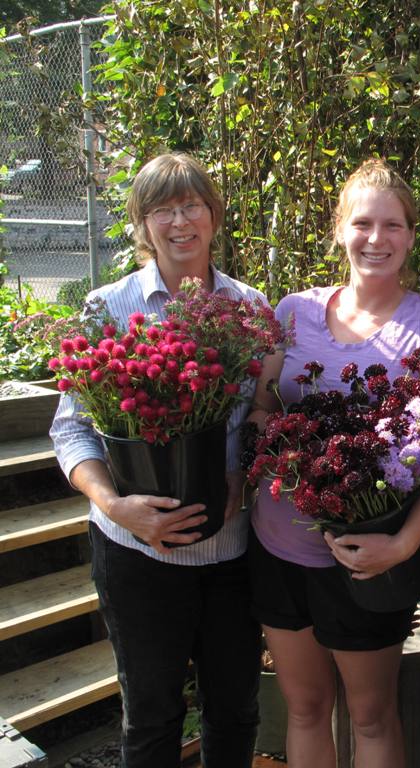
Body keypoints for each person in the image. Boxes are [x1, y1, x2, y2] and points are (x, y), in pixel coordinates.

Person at [246, 158, 420, 768]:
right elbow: (262, 408)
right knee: (304, 708)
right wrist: (286, 448)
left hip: (366, 561)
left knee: (372, 716)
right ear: (340, 229)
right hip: (279, 546)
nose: (378, 239)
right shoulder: (293, 311)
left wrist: (401, 546)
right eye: (364, 223)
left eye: (394, 225)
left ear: (411, 236)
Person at [49, 152, 263, 768]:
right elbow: (72, 430)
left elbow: (261, 413)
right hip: (136, 550)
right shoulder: (107, 307)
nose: (179, 221)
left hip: (229, 549)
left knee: (233, 709)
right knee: (151, 716)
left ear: (213, 215)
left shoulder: (249, 306)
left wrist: (239, 477)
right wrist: (117, 505)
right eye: (162, 209)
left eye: (191, 205)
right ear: (142, 224)